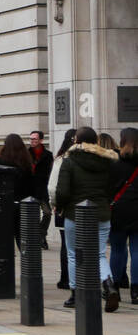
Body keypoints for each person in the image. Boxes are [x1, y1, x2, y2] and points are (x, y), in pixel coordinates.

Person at [52, 126, 121, 312]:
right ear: (95, 142)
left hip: (75, 213)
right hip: (101, 212)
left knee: (74, 253)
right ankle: (108, 285)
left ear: (76, 141)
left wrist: (60, 204)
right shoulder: (107, 161)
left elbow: (63, 191)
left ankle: (75, 294)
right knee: (98, 253)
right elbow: (112, 187)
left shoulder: (69, 161)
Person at [109, 128, 138, 304]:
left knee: (117, 250)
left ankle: (115, 288)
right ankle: (136, 291)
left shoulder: (113, 161)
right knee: (137, 250)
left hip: (118, 210)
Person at [48, 129, 77, 289]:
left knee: (67, 245)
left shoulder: (60, 160)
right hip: (86, 208)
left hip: (65, 207)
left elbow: (52, 187)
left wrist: (55, 204)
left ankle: (67, 279)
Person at [0, 134, 36, 248]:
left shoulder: (0, 160)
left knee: (5, 236)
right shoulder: (26, 160)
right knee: (22, 236)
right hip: (23, 202)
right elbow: (31, 183)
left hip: (6, 202)